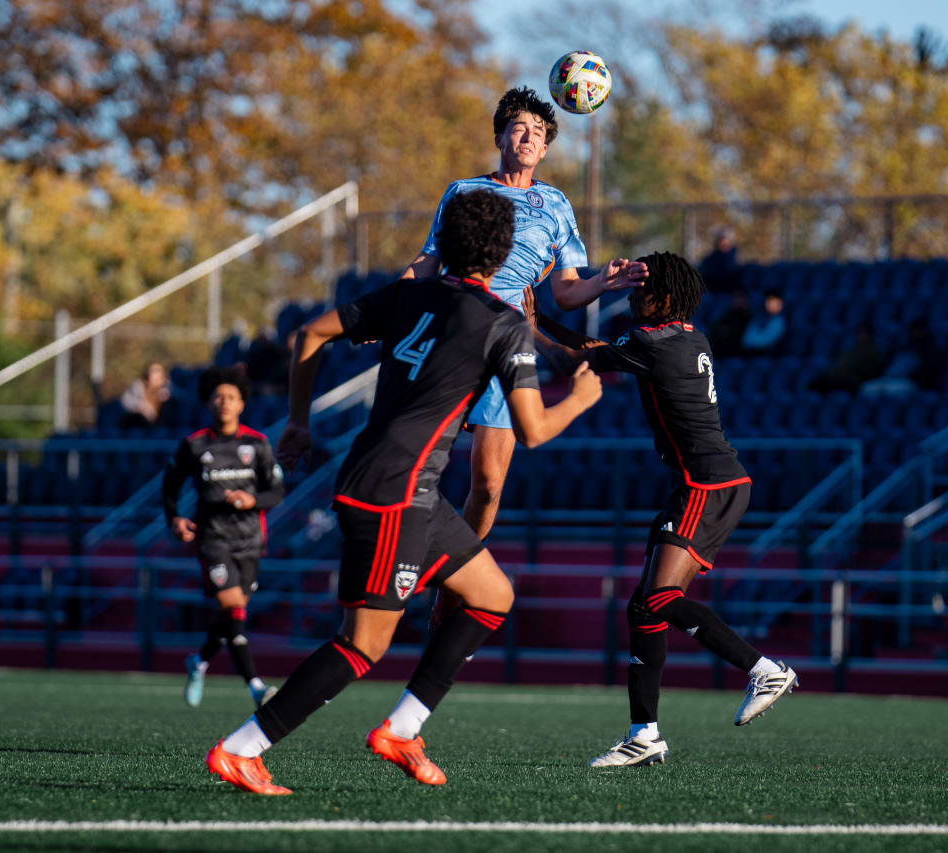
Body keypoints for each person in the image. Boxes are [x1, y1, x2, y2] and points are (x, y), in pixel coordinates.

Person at [203, 189, 602, 795]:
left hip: (399, 487)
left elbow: (309, 335)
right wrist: (579, 396)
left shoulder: (408, 294)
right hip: (396, 496)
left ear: (444, 242)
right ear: (504, 256)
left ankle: (403, 729)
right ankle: (243, 747)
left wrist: (298, 421)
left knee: (492, 595)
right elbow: (534, 429)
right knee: (362, 645)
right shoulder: (502, 324)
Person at [526, 251, 797, 768]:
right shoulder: (684, 335)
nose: (631, 296)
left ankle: (763, 668)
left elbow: (570, 361)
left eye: (640, 289)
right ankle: (643, 734)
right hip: (704, 483)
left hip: (706, 486)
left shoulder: (653, 344)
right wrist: (542, 322)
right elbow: (599, 348)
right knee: (643, 609)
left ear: (664, 298)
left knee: (660, 598)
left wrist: (527, 328)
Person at [401, 86, 645, 543]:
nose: (528, 137)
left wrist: (603, 282)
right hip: (451, 338)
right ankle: (403, 563)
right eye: (519, 128)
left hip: (509, 346)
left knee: (489, 486)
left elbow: (567, 293)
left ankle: (452, 588)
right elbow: (427, 261)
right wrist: (391, 306)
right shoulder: (464, 192)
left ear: (546, 149)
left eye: (538, 132)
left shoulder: (556, 205)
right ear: (499, 139)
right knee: (416, 475)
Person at [162, 367, 285, 709]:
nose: (224, 403)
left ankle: (199, 661)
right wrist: (174, 518)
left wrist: (252, 501)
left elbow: (276, 491)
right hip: (212, 538)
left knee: (232, 616)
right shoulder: (195, 444)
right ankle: (257, 687)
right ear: (209, 402)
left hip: (249, 540)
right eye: (218, 397)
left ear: (242, 403)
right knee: (233, 608)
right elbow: (170, 485)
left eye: (231, 397)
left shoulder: (257, 444)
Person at [808, 323, 884, 393]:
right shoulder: (853, 349)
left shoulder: (874, 351)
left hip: (854, 380)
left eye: (864, 333)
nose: (862, 336)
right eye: (860, 333)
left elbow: (872, 370)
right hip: (839, 377)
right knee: (815, 383)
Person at [119, 362, 172, 429]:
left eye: (158, 371)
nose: (156, 374)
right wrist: (142, 407)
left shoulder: (169, 392)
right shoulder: (137, 389)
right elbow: (125, 403)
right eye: (153, 371)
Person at [739, 289, 786, 356]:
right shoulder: (758, 318)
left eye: (776, 303)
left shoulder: (779, 321)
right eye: (769, 302)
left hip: (768, 355)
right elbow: (746, 339)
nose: (772, 305)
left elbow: (766, 341)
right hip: (751, 353)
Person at [708, 287, 752, 356]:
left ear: (746, 299)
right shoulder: (727, 315)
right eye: (735, 297)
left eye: (740, 297)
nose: (737, 300)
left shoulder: (750, 317)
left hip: (740, 355)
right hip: (720, 353)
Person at [698, 227, 739, 292]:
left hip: (728, 293)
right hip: (711, 291)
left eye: (725, 239)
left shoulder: (735, 258)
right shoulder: (710, 259)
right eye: (720, 239)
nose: (722, 242)